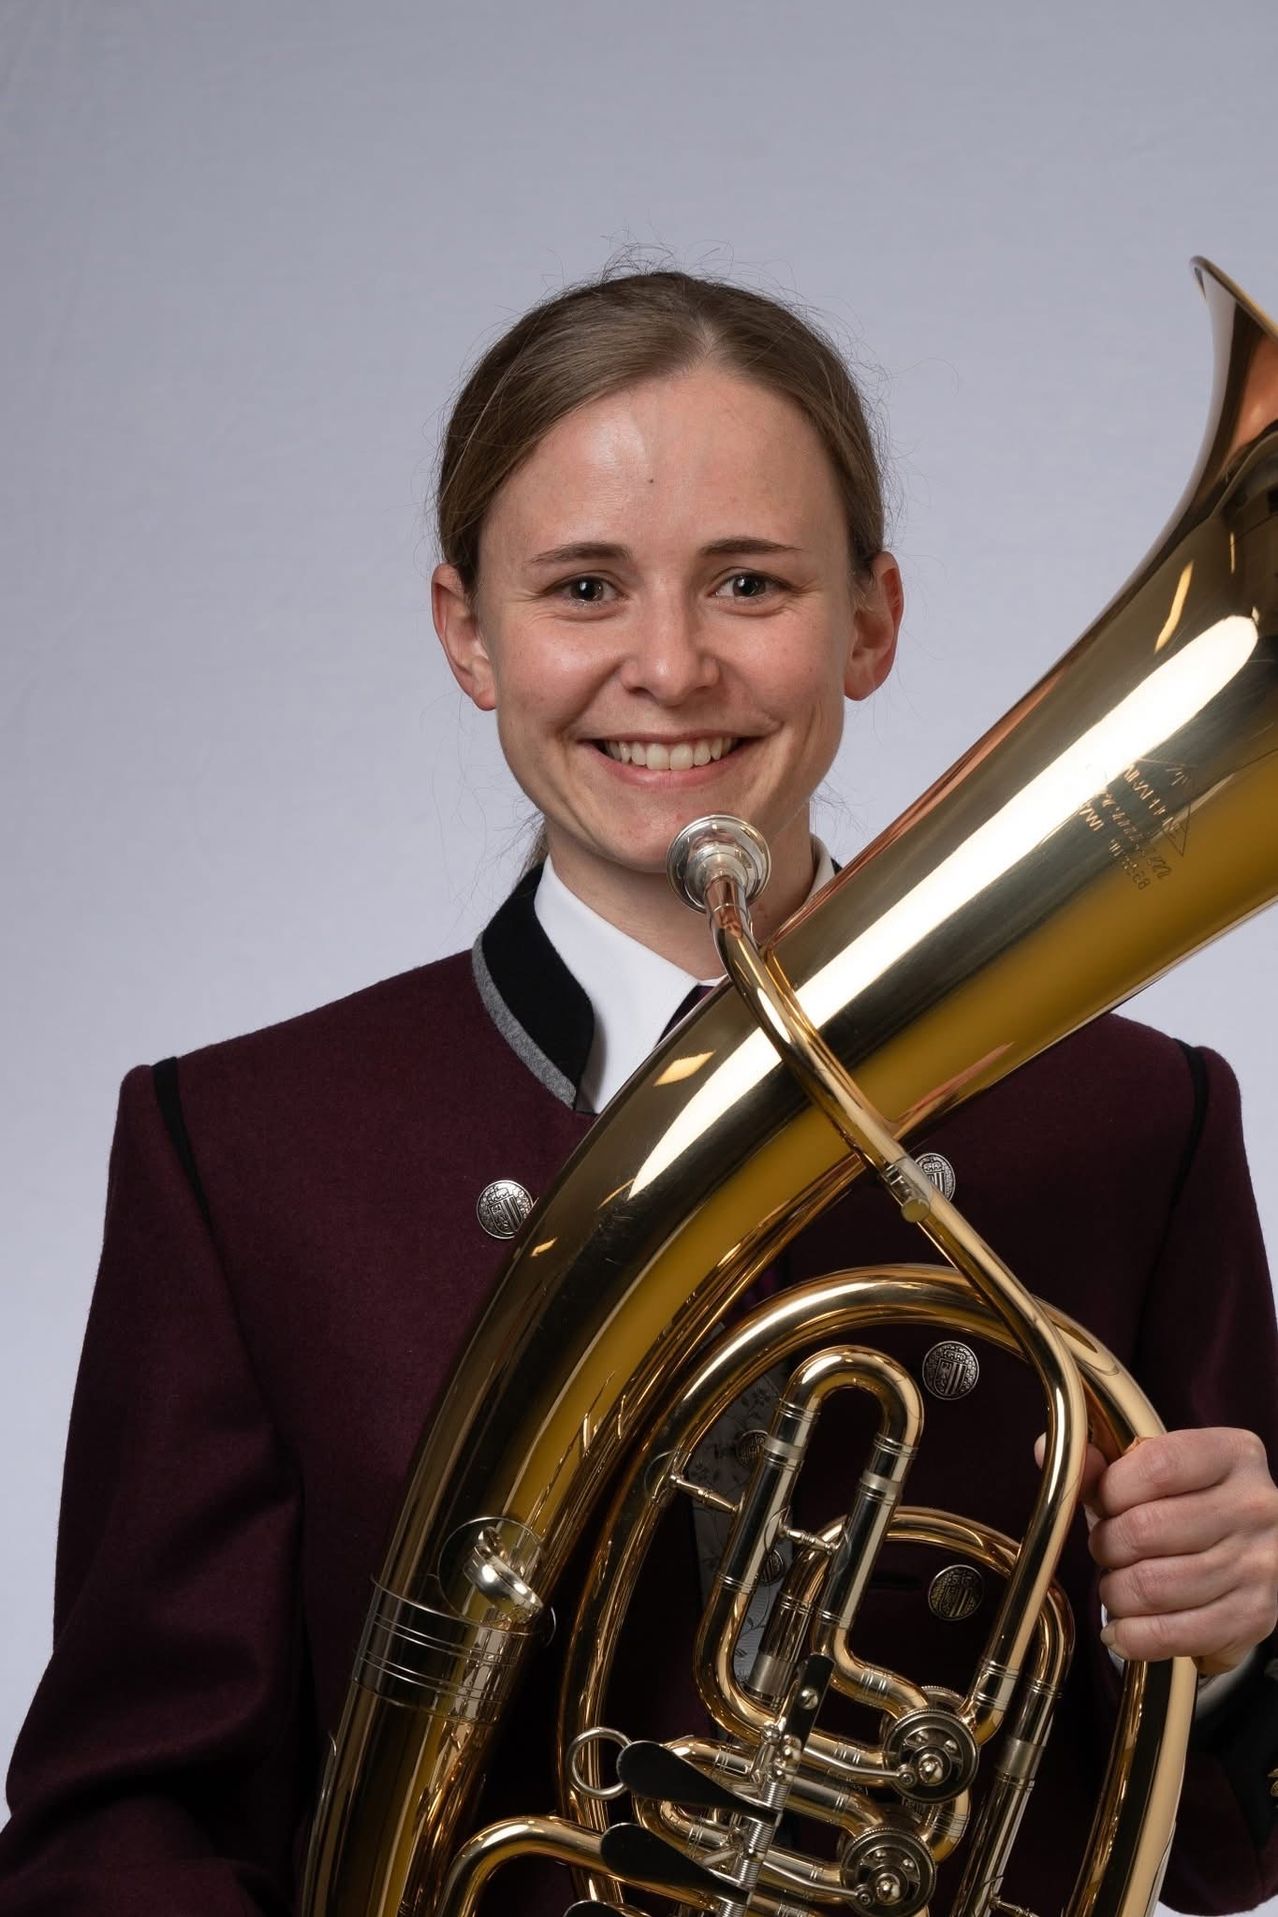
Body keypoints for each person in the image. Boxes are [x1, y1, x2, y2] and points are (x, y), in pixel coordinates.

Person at [1, 266, 1275, 1916]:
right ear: (469, 633)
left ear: (869, 620)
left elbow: (1233, 1847)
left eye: (749, 581)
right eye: (583, 587)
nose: (668, 667)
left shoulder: (1134, 1122)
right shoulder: (246, 1149)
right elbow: (122, 1825)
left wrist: (1230, 1651)